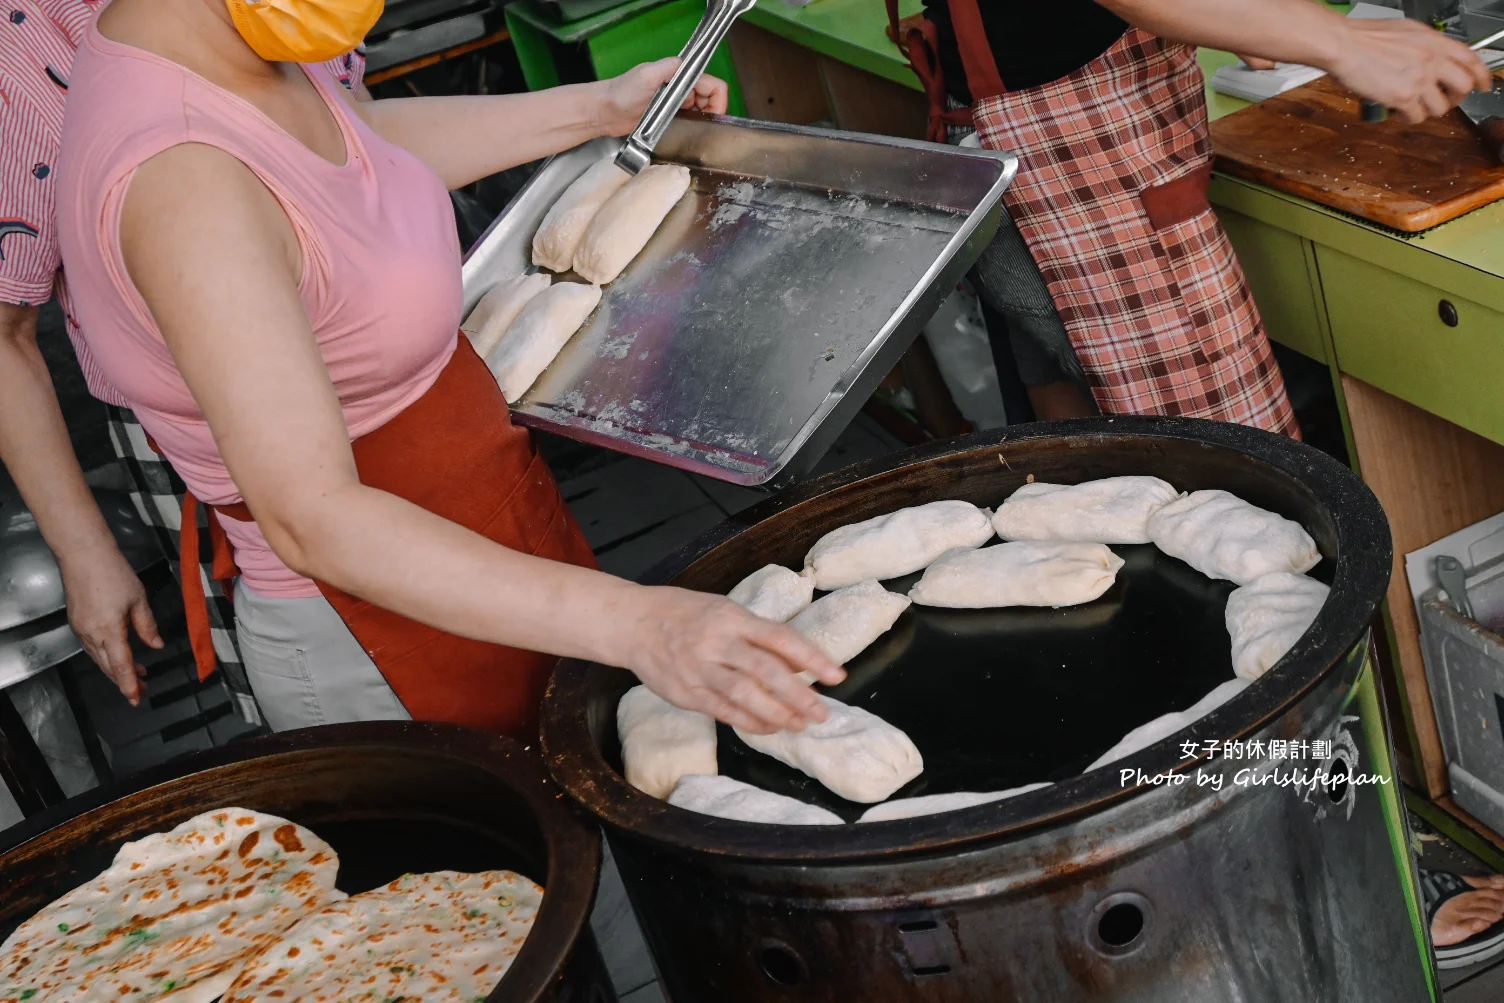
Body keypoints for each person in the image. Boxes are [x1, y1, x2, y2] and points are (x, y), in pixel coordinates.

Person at [55, 0, 844, 740]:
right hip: (383, 626)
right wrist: (640, 623)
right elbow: (312, 516)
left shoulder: (207, 40)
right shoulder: (183, 183)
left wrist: (598, 108)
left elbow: (351, 149)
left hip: (490, 541)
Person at [1, 0, 371, 723]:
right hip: (201, 427)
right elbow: (6, 332)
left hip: (387, 351)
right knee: (350, 719)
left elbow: (361, 136)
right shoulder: (23, 37)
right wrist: (84, 553)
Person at [896, 0, 1491, 426]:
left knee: (1089, 434)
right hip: (1075, 173)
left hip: (1051, 149)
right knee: (1217, 474)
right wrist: (1342, 38)